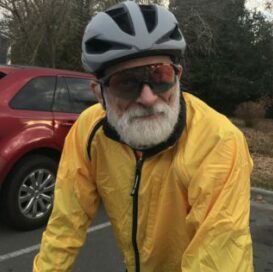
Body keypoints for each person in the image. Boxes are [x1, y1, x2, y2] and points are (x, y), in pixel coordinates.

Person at [33, 1, 253, 271]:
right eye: (127, 82)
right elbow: (65, 223)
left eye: (160, 75)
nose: (148, 97)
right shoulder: (88, 131)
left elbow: (218, 257)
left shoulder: (218, 141)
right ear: (98, 93)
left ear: (178, 76)